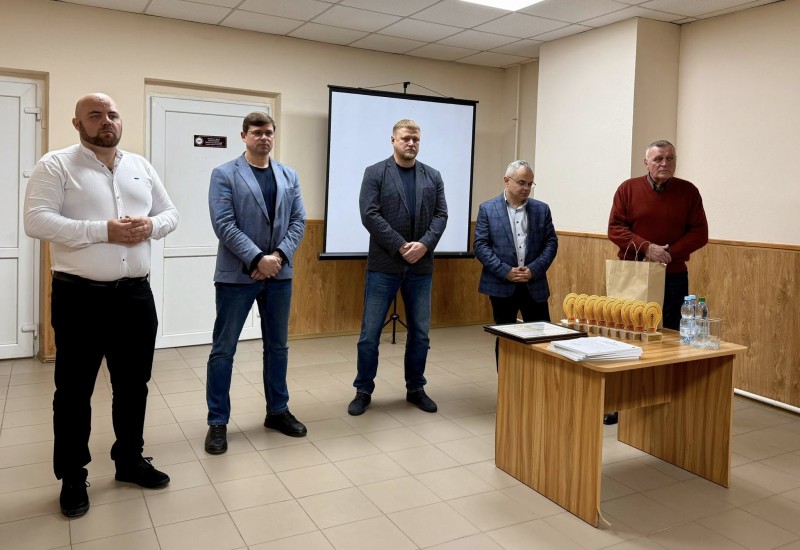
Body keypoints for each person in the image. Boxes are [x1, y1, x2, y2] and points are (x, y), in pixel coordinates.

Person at [23, 93, 179, 518]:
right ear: (78, 124)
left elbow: (170, 213)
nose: (106, 121)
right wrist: (102, 231)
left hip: (135, 296)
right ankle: (73, 476)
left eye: (112, 114)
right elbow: (36, 220)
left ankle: (129, 459)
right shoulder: (56, 164)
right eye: (95, 115)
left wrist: (151, 225)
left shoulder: (140, 165)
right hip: (80, 297)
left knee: (134, 385)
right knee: (74, 391)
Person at [205, 112, 307, 454]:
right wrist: (257, 258)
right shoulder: (224, 174)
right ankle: (217, 421)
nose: (264, 137)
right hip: (238, 275)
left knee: (277, 347)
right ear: (244, 136)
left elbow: (298, 221)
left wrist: (277, 256)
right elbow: (224, 224)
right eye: (257, 132)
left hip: (279, 275)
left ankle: (277, 411)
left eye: (269, 133)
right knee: (224, 350)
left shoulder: (289, 175)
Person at [347, 119, 448, 416]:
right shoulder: (375, 172)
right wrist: (401, 246)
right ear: (393, 140)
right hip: (384, 265)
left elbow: (441, 215)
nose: (411, 143)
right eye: (406, 138)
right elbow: (369, 214)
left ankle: (415, 388)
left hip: (421, 267)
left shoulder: (433, 175)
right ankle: (363, 390)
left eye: (416, 139)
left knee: (421, 334)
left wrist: (424, 245)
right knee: (370, 334)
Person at [606, 139, 708, 424]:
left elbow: (700, 233)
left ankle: (663, 397)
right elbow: (615, 228)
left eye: (670, 158)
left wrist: (668, 253)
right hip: (633, 275)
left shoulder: (689, 192)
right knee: (627, 334)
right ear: (646, 163)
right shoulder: (627, 189)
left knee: (670, 336)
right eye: (658, 158)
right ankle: (618, 401)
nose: (665, 163)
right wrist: (646, 247)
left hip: (673, 276)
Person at [473, 160, 558, 365]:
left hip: (533, 284)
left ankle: (538, 382)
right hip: (502, 285)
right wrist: (505, 271)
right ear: (507, 181)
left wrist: (534, 270)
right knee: (506, 339)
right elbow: (481, 246)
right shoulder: (488, 209)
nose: (526, 188)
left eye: (530, 184)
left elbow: (551, 243)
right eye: (521, 183)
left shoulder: (542, 210)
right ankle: (506, 383)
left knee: (541, 339)